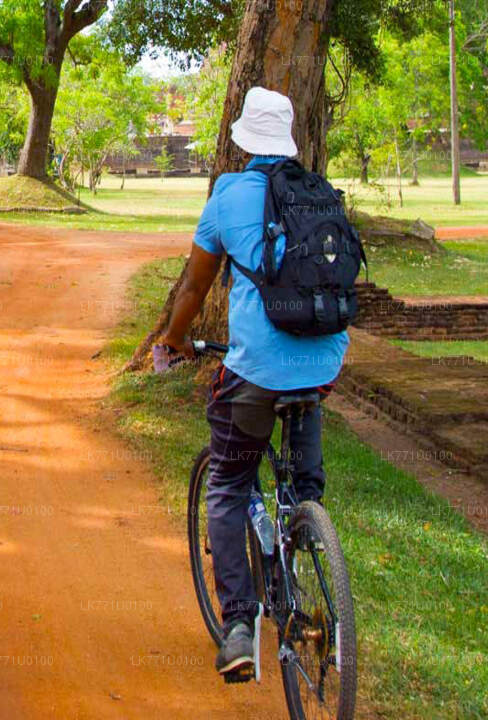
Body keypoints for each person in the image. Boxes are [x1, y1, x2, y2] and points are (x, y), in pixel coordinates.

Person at [155, 87, 349, 676]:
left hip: (256, 372)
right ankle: (315, 567)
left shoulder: (229, 193)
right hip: (324, 359)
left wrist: (172, 341)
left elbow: (194, 286)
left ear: (244, 141)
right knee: (303, 485)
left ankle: (240, 622)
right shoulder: (319, 194)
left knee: (229, 481)